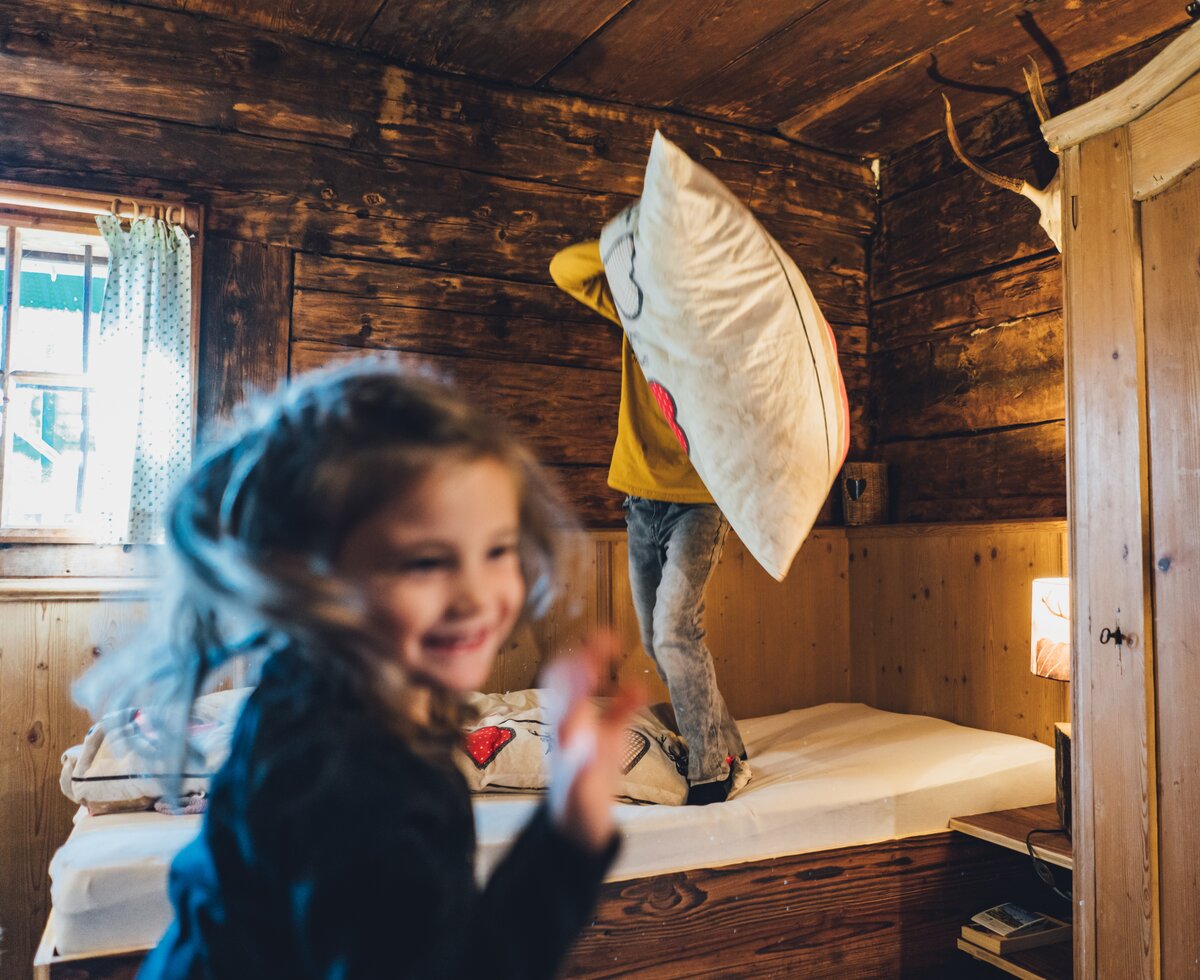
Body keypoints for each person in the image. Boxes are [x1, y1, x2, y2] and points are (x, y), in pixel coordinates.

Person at [76, 360, 638, 979]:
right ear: (308, 577)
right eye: (425, 562)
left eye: (498, 550)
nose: (479, 596)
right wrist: (571, 830)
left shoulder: (320, 687)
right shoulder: (352, 786)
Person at [549, 240, 746, 805]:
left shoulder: (721, 333)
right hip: (639, 501)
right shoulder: (638, 311)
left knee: (674, 631)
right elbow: (566, 269)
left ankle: (711, 773)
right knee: (660, 645)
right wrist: (633, 236)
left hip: (698, 504)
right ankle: (730, 742)